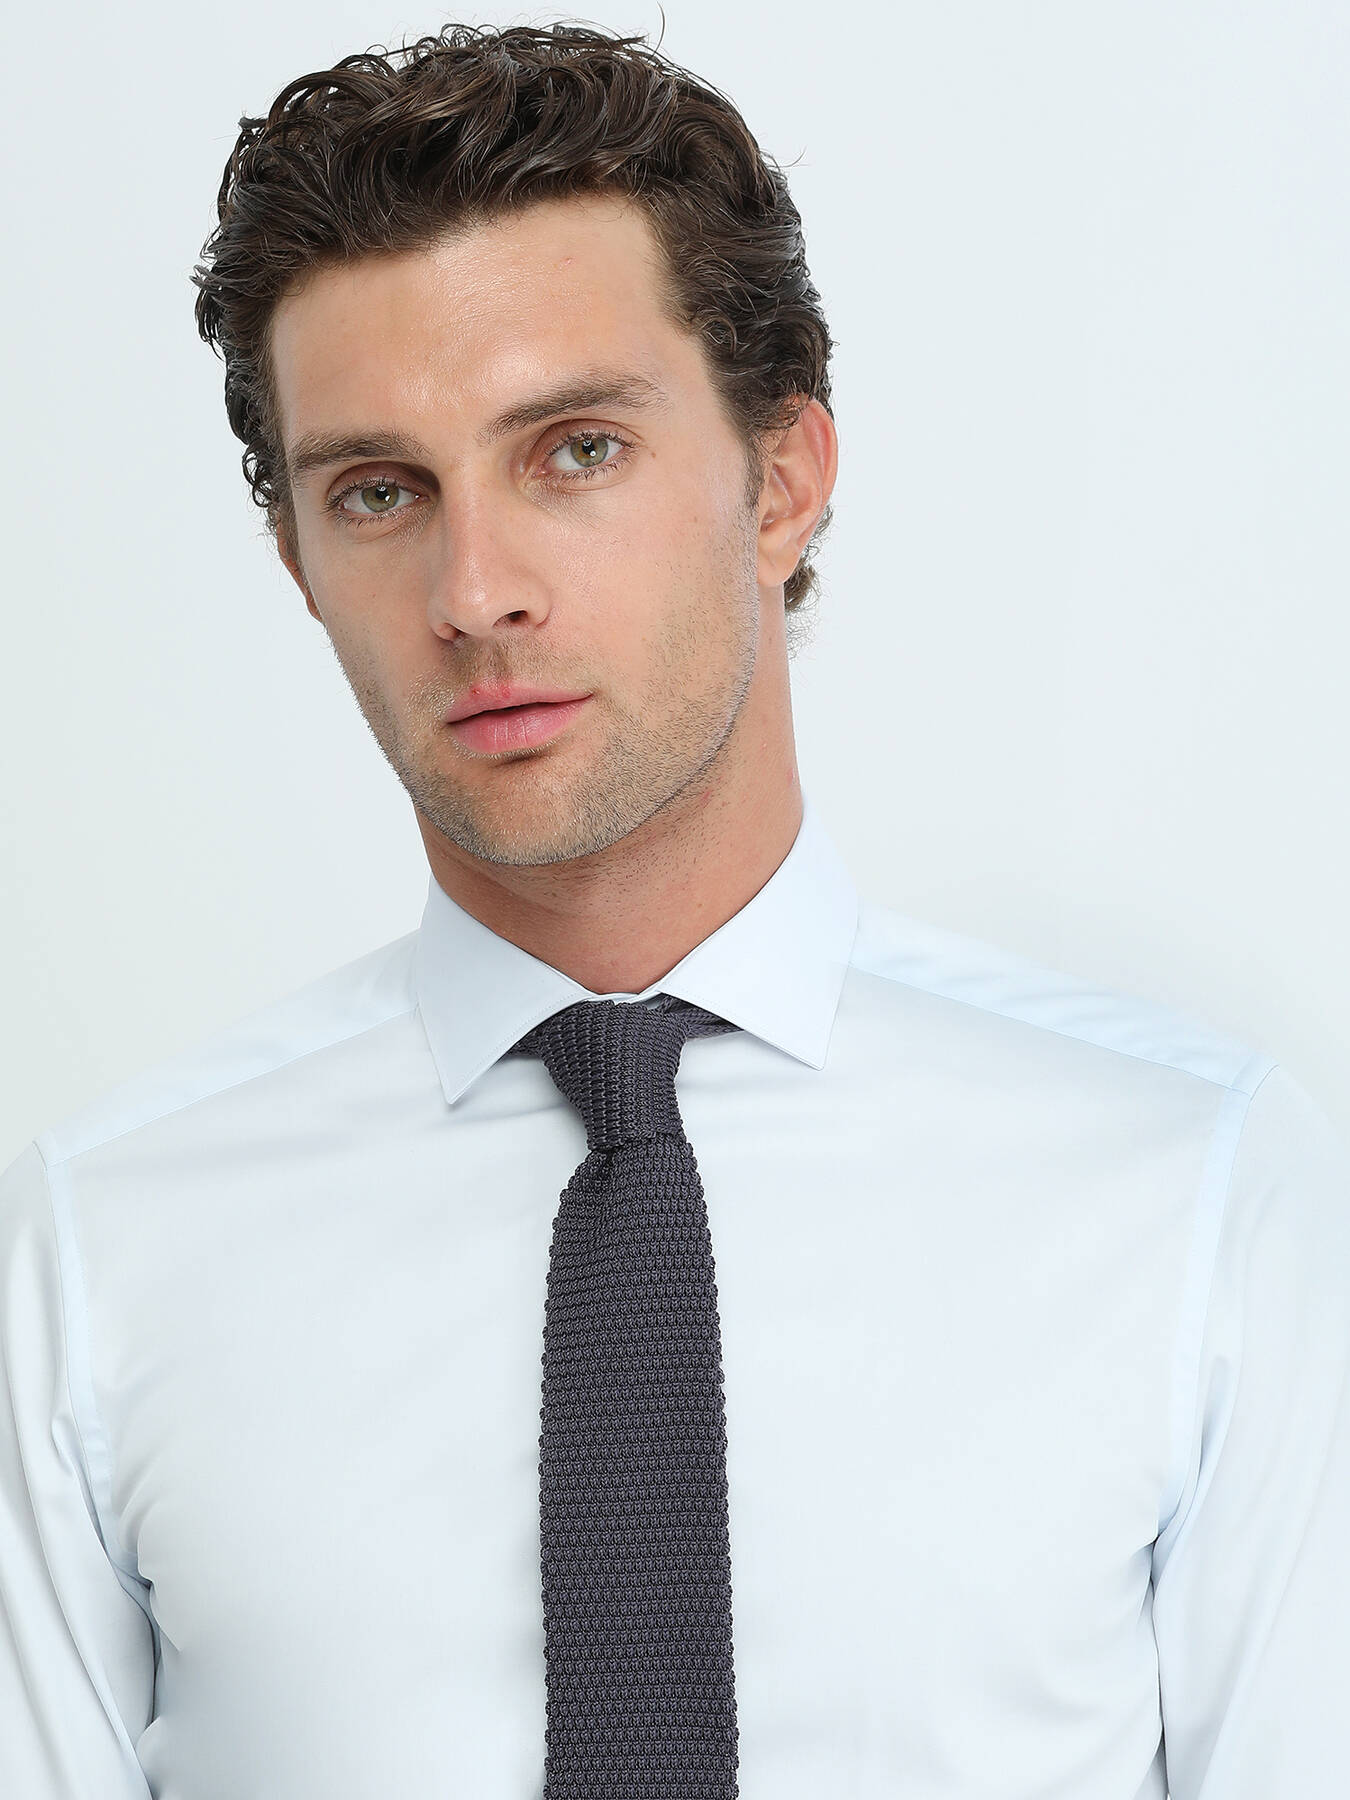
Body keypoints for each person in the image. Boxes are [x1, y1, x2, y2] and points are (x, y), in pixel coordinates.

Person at [1, 19, 1347, 1799]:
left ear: (781, 481)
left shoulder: (1200, 1198)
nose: (475, 591)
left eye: (573, 451)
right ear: (299, 564)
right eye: (379, 492)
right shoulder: (97, 1256)